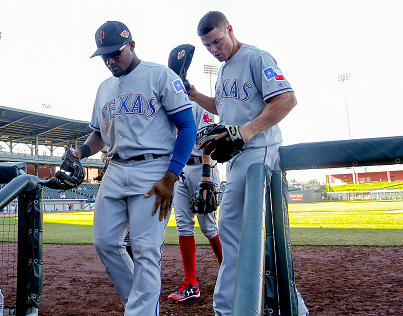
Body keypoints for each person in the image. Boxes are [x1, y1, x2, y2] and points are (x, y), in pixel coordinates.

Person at [188, 11, 309, 316]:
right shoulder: (225, 70)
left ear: (230, 29)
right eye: (208, 46)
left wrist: (245, 132)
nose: (214, 49)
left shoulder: (256, 57)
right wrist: (194, 94)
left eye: (217, 41)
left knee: (236, 233)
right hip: (238, 157)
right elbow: (226, 109)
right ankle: (289, 306)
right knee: (244, 236)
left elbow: (286, 100)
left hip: (260, 153)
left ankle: (228, 308)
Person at [73, 20, 196, 315]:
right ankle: (143, 304)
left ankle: (141, 310)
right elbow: (100, 135)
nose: (110, 60)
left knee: (145, 250)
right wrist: (79, 152)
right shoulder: (104, 88)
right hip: (114, 169)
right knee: (105, 242)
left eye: (115, 53)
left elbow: (187, 126)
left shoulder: (159, 76)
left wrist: (171, 174)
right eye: (104, 54)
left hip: (153, 169)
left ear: (132, 45)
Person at [166, 45, 223, 303]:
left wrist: (206, 176)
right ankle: (191, 283)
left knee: (209, 226)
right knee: (183, 225)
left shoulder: (197, 104)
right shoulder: (166, 106)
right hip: (178, 170)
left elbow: (208, 141)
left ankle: (230, 271)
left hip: (202, 167)